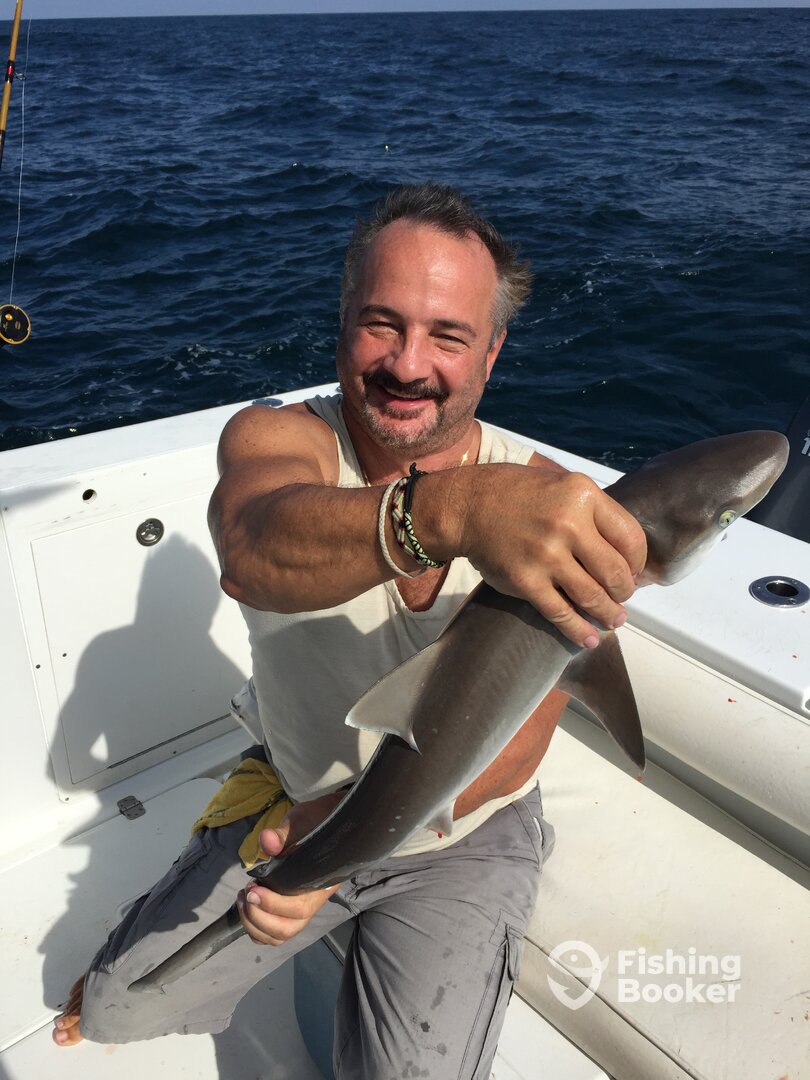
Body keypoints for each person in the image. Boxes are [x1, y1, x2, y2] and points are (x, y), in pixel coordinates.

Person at [53, 182, 646, 1076]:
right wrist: (452, 514)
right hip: (299, 796)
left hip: (463, 825)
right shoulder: (277, 441)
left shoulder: (546, 505)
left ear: (492, 352)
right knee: (115, 1009)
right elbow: (253, 547)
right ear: (341, 323)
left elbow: (522, 742)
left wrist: (340, 843)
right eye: (382, 324)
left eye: (448, 336)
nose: (409, 364)